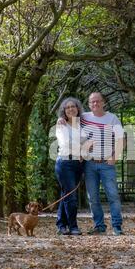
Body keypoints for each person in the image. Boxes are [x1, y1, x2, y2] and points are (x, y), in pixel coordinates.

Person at [59, 92, 125, 236]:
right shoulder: (83, 118)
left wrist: (114, 157)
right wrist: (60, 120)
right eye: (92, 102)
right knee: (93, 198)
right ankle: (99, 226)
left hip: (107, 164)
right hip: (89, 164)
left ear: (103, 102)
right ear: (88, 104)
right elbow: (69, 118)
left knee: (113, 195)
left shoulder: (112, 118)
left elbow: (121, 139)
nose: (95, 104)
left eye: (98, 101)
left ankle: (117, 226)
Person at [55, 97, 87, 235]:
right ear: (64, 111)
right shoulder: (61, 124)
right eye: (67, 107)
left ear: (78, 109)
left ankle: (61, 225)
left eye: (73, 106)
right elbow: (65, 143)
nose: (70, 109)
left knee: (66, 194)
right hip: (65, 163)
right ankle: (73, 226)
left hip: (78, 165)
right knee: (71, 196)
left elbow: (87, 143)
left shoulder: (81, 125)